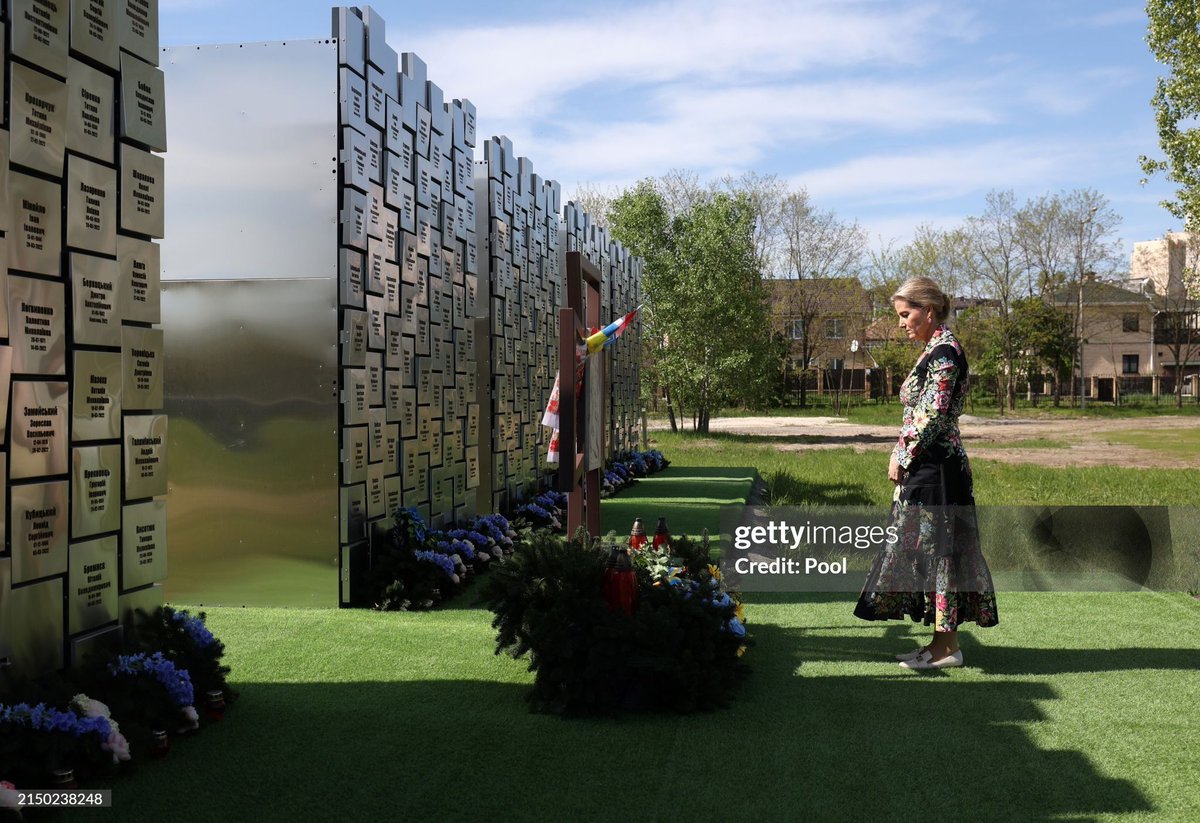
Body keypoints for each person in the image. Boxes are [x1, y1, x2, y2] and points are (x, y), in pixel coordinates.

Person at [853, 277, 998, 669]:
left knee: (941, 554)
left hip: (937, 471)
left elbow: (932, 414)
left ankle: (947, 649)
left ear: (928, 310)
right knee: (930, 553)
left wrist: (900, 454)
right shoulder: (934, 350)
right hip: (928, 467)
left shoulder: (945, 353)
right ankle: (940, 643)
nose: (900, 323)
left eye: (905, 314)